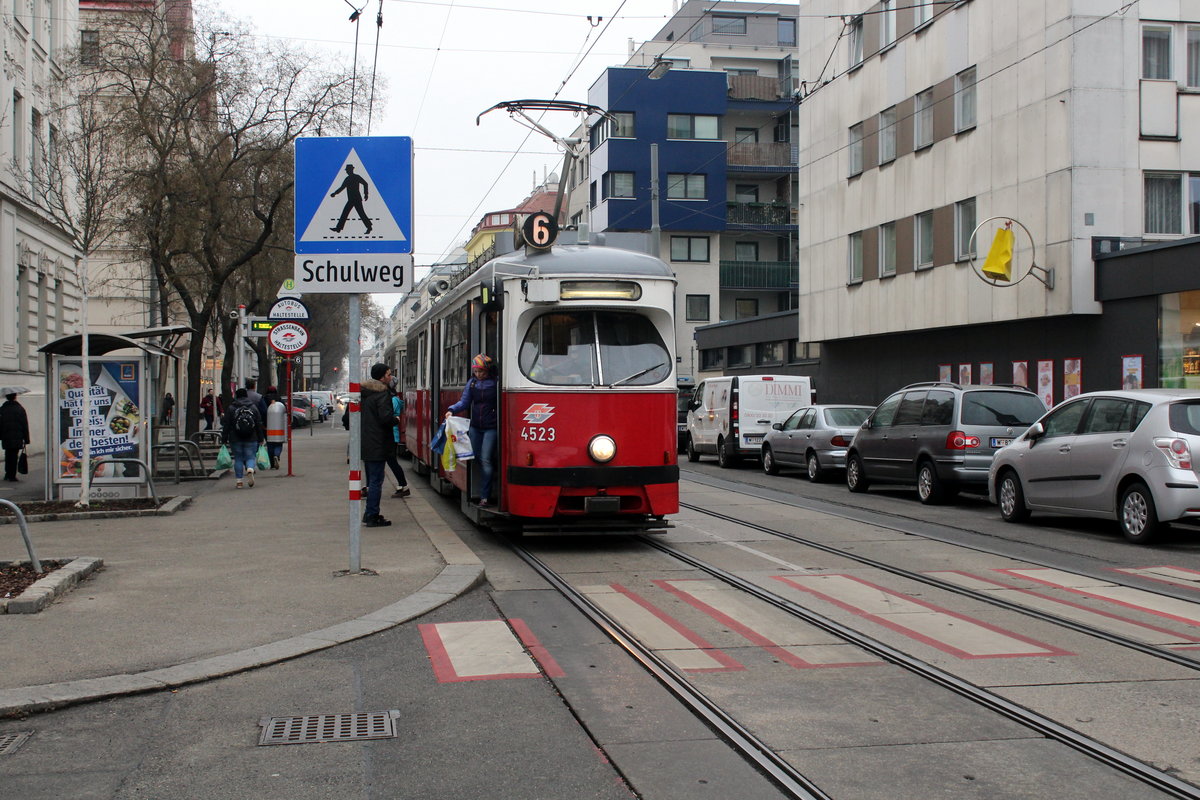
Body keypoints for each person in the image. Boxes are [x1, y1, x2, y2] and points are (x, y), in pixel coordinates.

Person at [446, 353, 498, 507]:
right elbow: (464, 401)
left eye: (481, 371)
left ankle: (485, 496)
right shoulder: (472, 383)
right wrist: (452, 410)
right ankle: (487, 481)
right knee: (475, 457)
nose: (478, 374)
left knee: (485, 459)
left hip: (491, 427)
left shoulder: (495, 383)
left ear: (487, 370)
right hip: (475, 426)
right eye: (476, 371)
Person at [360, 363, 396, 526]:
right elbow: (385, 418)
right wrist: (396, 420)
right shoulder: (382, 394)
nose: (391, 377)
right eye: (389, 374)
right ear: (382, 377)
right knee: (376, 481)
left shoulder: (365, 394)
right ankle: (372, 515)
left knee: (371, 480)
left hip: (367, 441)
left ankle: (369, 514)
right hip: (378, 442)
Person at [222, 387, 264, 489]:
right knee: (250, 457)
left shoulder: (231, 408)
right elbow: (258, 423)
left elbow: (226, 424)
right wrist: (261, 438)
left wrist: (224, 438)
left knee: (238, 459)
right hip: (251, 437)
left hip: (235, 438)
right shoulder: (253, 407)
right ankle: (250, 468)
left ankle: (239, 481)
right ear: (246, 395)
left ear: (236, 396)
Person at [329, 163, 372, 234]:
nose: (346, 171)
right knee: (346, 213)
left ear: (350, 170)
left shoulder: (356, 177)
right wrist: (335, 193)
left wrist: (366, 194)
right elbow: (342, 187)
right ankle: (338, 228)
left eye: (347, 170)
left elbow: (365, 183)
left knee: (360, 213)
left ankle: (369, 227)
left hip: (356, 199)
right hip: (351, 199)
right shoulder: (348, 179)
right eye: (346, 170)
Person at [387, 379, 410, 498]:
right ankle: (403, 485)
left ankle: (403, 485)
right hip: (390, 434)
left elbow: (392, 416)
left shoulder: (393, 399)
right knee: (391, 461)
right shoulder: (393, 398)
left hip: (392, 434)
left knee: (392, 461)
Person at [0, 392, 30, 482]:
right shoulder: (20, 409)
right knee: (14, 455)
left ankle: (7, 474)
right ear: (15, 397)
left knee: (8, 454)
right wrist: (27, 439)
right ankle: (12, 475)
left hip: (6, 436)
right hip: (17, 436)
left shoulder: (2, 409)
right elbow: (25, 424)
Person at [264, 389, 287, 470]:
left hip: (267, 426)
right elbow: (285, 411)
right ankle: (276, 455)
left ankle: (272, 464)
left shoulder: (264, 399)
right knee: (278, 443)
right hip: (279, 426)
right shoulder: (279, 399)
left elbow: (263, 411)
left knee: (270, 444)